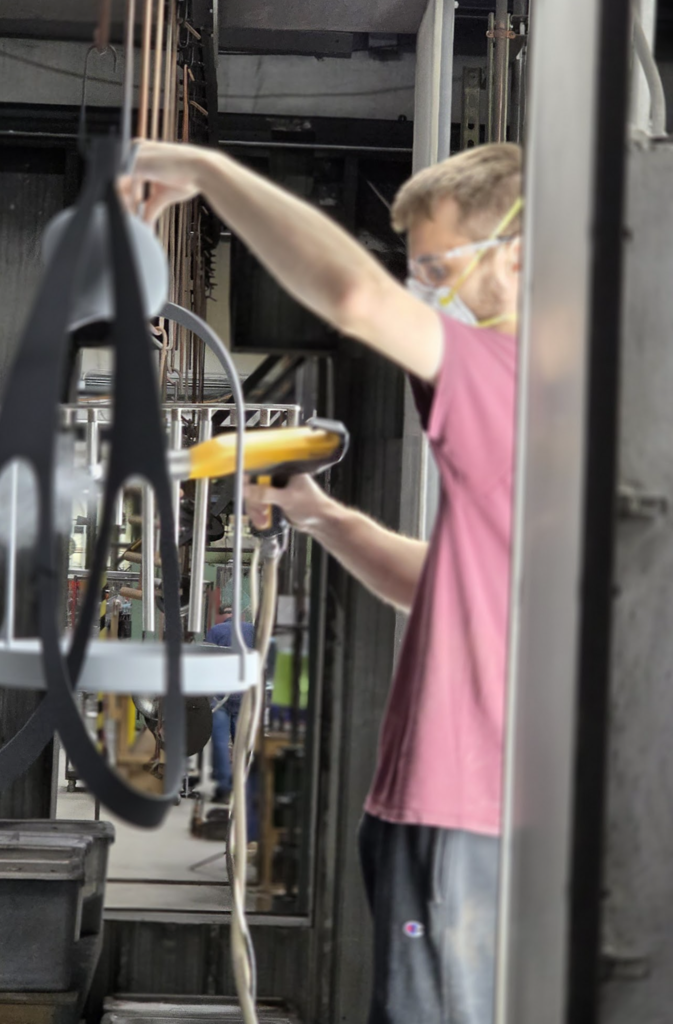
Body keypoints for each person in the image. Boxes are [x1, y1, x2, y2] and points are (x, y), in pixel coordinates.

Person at [129, 141, 521, 1024]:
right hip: (432, 809)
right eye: (412, 270)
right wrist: (321, 516)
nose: (422, 290)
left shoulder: (516, 374)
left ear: (519, 253)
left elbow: (352, 296)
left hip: (464, 809)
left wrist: (206, 175)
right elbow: (446, 585)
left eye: (434, 266)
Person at [205, 609, 255, 804]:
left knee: (219, 742)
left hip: (220, 694)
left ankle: (224, 789)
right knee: (242, 742)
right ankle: (242, 788)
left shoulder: (216, 631)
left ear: (223, 615)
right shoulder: (252, 630)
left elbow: (207, 661)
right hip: (244, 692)